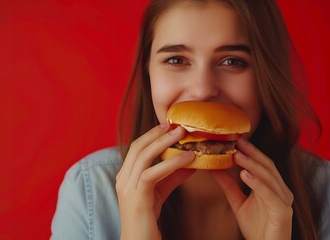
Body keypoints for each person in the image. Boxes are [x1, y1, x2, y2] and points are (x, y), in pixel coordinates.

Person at [51, 0, 330, 239]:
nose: (202, 90)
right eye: (176, 60)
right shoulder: (88, 189)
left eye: (233, 61)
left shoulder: (324, 191)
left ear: (266, 75)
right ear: (148, 73)